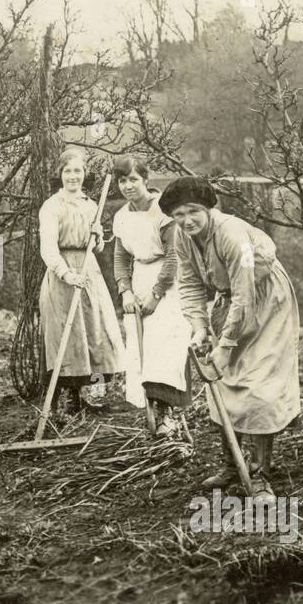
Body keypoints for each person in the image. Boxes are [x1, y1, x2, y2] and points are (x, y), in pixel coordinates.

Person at [161, 176, 301, 498]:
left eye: (193, 211)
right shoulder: (182, 236)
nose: (186, 220)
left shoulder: (233, 235)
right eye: (178, 215)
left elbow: (245, 295)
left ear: (210, 208)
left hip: (267, 301)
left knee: (258, 384)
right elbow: (190, 285)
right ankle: (232, 465)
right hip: (232, 301)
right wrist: (199, 327)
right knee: (222, 381)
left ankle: (260, 474)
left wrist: (225, 345)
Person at [38, 147, 125, 415]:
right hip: (61, 275)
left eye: (78, 171)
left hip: (89, 272)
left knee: (93, 332)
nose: (73, 176)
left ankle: (88, 394)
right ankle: (64, 399)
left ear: (84, 173)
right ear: (60, 173)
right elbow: (48, 248)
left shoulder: (90, 205)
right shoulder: (52, 206)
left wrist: (97, 236)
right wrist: (65, 274)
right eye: (68, 171)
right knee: (65, 335)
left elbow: (95, 249)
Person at [111, 154, 191, 437]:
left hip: (166, 284)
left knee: (164, 349)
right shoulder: (121, 216)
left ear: (145, 179)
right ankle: (151, 414)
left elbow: (173, 256)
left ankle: (168, 414)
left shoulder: (162, 212)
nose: (128, 186)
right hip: (138, 280)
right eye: (122, 180)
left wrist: (157, 294)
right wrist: (125, 291)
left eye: (133, 179)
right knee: (139, 351)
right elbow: (120, 258)